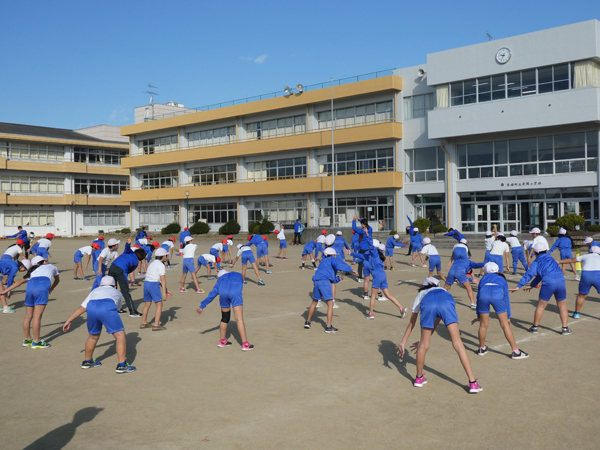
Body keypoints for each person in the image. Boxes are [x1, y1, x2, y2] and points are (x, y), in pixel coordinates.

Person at [397, 277, 483, 393]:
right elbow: (437, 319)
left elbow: (412, 323)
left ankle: (418, 378)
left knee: (423, 346)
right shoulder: (444, 291)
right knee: (458, 343)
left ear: (423, 286)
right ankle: (473, 383)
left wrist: (404, 342)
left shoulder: (422, 293)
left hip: (428, 304)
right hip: (446, 302)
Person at [62, 276, 136, 373]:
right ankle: (122, 365)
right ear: (114, 286)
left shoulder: (94, 291)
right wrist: (108, 324)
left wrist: (69, 320)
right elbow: (116, 310)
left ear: (100, 285)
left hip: (91, 308)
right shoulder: (117, 292)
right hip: (107, 307)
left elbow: (82, 308)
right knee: (120, 335)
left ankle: (88, 361)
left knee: (92, 336)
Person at [510, 242, 572, 335]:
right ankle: (565, 328)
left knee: (541, 306)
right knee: (562, 305)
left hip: (548, 283)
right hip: (561, 281)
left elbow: (529, 274)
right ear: (546, 251)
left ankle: (535, 327)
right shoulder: (551, 258)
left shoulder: (536, 262)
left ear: (534, 253)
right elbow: (540, 274)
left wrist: (518, 286)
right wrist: (533, 284)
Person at [471, 262, 529, 359]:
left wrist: (478, 315)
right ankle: (516, 352)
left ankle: (481, 348)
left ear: (485, 272)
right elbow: (506, 298)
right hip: (496, 296)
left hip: (483, 296)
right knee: (505, 325)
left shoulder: (483, 279)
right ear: (498, 271)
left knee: (483, 325)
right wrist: (508, 316)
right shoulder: (502, 279)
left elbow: (478, 296)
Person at [0, 256, 60, 349]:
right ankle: (36, 341)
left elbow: (18, 283)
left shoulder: (32, 271)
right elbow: (57, 280)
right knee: (37, 316)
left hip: (30, 286)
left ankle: (27, 339)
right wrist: (51, 288)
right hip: (42, 285)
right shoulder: (52, 267)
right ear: (43, 261)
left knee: (28, 316)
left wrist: (5, 291)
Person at [196, 270, 254, 350]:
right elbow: (241, 282)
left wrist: (202, 306)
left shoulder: (221, 279)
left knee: (225, 317)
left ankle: (222, 341)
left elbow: (213, 293)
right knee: (239, 319)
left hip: (223, 293)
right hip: (235, 293)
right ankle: (245, 344)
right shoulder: (237, 274)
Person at [305, 248, 357, 333]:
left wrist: (338, 279)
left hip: (317, 282)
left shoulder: (323, 262)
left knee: (314, 301)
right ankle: (328, 327)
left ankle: (307, 322)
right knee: (330, 304)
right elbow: (339, 265)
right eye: (335, 254)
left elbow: (329, 278)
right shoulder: (332, 259)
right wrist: (350, 269)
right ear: (332, 255)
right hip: (324, 282)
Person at [352, 247, 407, 320]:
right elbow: (362, 256)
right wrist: (352, 254)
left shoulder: (372, 255)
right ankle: (401, 308)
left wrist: (351, 253)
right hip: (383, 275)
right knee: (388, 295)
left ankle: (371, 313)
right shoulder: (379, 255)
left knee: (373, 296)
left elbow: (362, 256)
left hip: (377, 276)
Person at [107, 237, 146, 317]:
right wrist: (126, 282)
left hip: (112, 267)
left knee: (111, 289)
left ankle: (115, 308)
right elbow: (126, 271)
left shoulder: (130, 252)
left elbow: (127, 248)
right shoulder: (135, 263)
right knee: (126, 291)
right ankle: (132, 311)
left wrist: (128, 243)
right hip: (120, 270)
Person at [558, 246, 600, 319]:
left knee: (581, 295)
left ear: (589, 252)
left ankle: (576, 313)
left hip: (586, 275)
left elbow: (572, 260)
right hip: (598, 275)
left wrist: (559, 261)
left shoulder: (585, 256)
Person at [140, 248, 172, 331]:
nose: (167, 256)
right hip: (153, 285)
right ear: (164, 256)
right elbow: (162, 279)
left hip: (146, 284)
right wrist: (164, 293)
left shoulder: (152, 263)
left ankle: (144, 323)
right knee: (159, 305)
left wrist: (166, 289)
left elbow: (155, 277)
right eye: (166, 255)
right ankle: (156, 325)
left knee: (147, 304)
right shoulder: (161, 265)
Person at [352, 215, 373, 282]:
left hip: (362, 248)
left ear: (362, 224)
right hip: (368, 248)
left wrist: (354, 220)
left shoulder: (362, 230)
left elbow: (354, 228)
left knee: (360, 263)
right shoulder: (370, 229)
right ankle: (373, 276)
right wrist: (359, 219)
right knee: (370, 263)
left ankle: (360, 277)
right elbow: (366, 223)